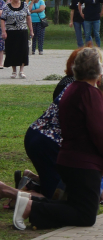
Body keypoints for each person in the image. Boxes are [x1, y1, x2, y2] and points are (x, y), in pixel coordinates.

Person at [7, 48, 103, 230]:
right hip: (83, 162)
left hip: (68, 158)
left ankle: (30, 204)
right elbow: (101, 131)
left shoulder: (71, 89)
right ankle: (31, 206)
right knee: (86, 215)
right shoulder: (90, 94)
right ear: (98, 71)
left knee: (76, 205)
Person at [23, 48, 89, 198]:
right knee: (56, 197)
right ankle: (12, 193)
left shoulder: (67, 83)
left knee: (57, 184)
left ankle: (30, 182)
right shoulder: (76, 87)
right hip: (48, 141)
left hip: (39, 134)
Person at [1, 0, 32, 78]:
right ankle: (14, 71)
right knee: (12, 51)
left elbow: (28, 18)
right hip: (11, 32)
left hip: (22, 31)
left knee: (23, 50)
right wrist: (4, 31)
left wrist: (31, 30)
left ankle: (21, 71)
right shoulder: (6, 7)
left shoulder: (25, 5)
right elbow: (2, 19)